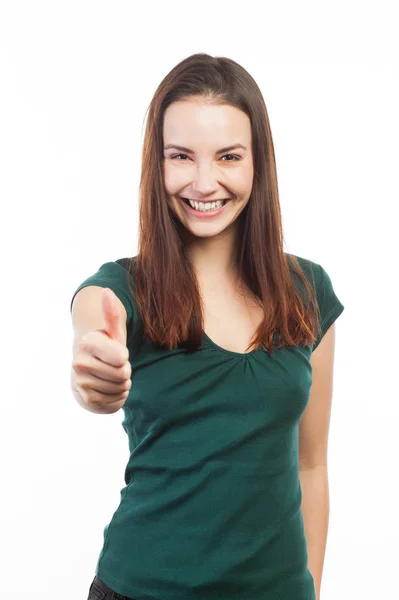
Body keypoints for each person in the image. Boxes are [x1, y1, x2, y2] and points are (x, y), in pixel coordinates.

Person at [70, 53, 345, 600]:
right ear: (158, 163)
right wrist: (93, 374)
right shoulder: (123, 289)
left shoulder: (307, 293)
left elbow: (311, 466)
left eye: (228, 156)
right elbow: (91, 330)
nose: (204, 181)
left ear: (257, 163)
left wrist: (308, 588)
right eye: (181, 156)